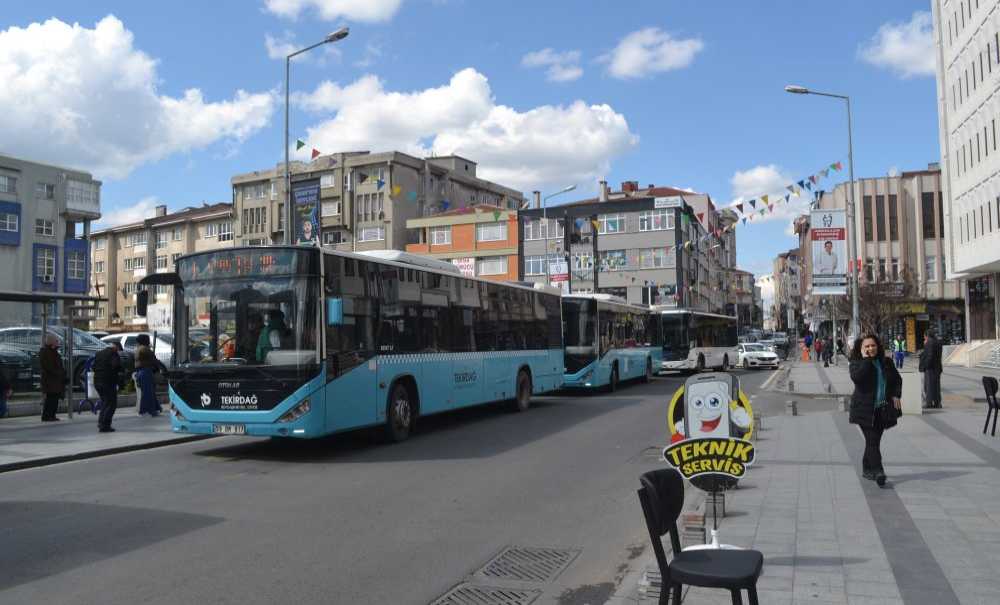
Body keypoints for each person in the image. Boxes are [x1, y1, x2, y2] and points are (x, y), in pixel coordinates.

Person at [849, 334, 902, 486]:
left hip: (882, 409)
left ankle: (867, 468)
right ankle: (879, 471)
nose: (870, 348)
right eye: (867, 346)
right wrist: (866, 360)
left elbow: (897, 380)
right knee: (872, 441)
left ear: (877, 346)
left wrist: (896, 394)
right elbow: (857, 378)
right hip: (864, 410)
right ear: (861, 348)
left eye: (873, 345)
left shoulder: (886, 362)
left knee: (873, 442)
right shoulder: (856, 363)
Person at [92, 341, 123, 432]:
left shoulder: (99, 353)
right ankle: (105, 425)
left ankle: (101, 423)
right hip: (108, 382)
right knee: (111, 403)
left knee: (105, 402)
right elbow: (116, 366)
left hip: (97, 381)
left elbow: (93, 367)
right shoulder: (113, 354)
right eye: (118, 350)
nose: (118, 352)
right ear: (116, 348)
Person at [135, 334, 163, 416]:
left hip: (141, 372)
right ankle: (148, 411)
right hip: (146, 371)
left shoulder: (139, 348)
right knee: (148, 392)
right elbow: (154, 360)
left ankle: (156, 408)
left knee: (149, 391)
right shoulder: (145, 349)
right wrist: (162, 367)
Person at [39, 334, 65, 422]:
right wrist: (58, 373)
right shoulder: (46, 352)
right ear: (51, 342)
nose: (58, 343)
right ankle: (47, 415)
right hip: (50, 380)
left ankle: (51, 415)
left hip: (55, 380)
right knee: (51, 398)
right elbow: (49, 367)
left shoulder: (54, 352)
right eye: (56, 341)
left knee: (54, 398)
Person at [919, 331, 944, 409]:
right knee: (936, 386)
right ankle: (937, 403)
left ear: (927, 336)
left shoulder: (929, 342)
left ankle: (929, 403)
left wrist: (925, 366)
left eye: (924, 336)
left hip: (930, 368)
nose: (924, 338)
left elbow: (929, 355)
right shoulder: (938, 342)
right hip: (937, 368)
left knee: (928, 386)